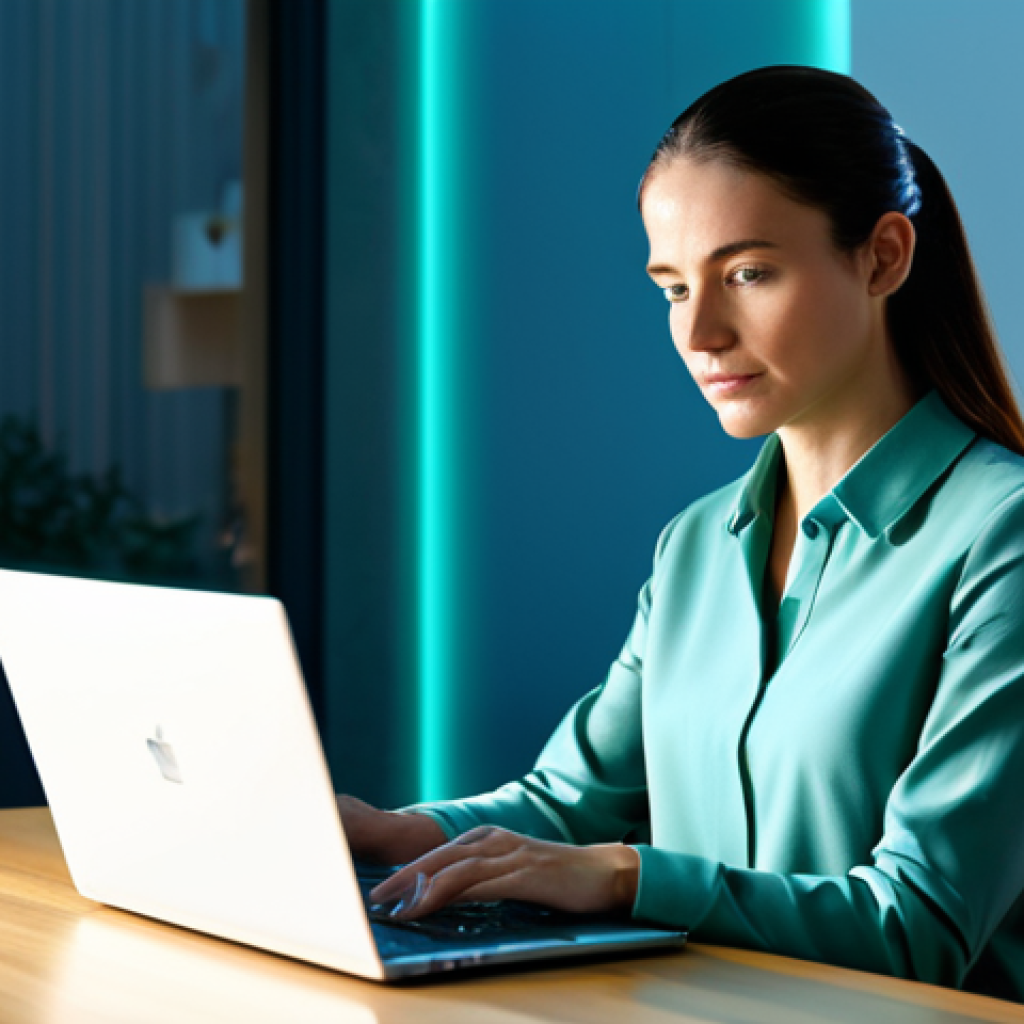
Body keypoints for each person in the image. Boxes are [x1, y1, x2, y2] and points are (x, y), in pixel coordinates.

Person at [337, 66, 1024, 1001]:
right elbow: (567, 806)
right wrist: (393, 832)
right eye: (671, 287)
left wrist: (629, 876)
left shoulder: (1001, 535)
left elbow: (919, 926)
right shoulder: (697, 545)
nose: (700, 331)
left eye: (748, 273)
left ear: (883, 257)